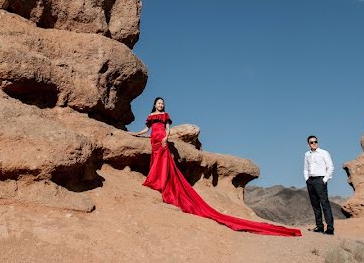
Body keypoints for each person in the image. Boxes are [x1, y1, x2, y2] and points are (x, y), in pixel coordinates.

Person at [132, 97, 301, 237]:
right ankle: (154, 179)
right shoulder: (150, 115)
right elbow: (146, 129)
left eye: (162, 103)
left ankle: (160, 182)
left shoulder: (165, 115)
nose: (160, 105)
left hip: (161, 140)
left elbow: (167, 129)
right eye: (158, 103)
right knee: (155, 161)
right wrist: (135, 134)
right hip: (153, 140)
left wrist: (165, 138)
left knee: (163, 162)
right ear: (155, 104)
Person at [303, 134, 334, 235]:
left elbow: (330, 167)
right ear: (308, 144)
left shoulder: (324, 153)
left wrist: (324, 179)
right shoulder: (307, 154)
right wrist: (307, 179)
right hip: (310, 181)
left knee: (325, 204)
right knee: (315, 205)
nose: (314, 143)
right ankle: (319, 226)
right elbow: (305, 168)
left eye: (315, 141)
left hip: (320, 180)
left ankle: (330, 228)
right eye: (312, 142)